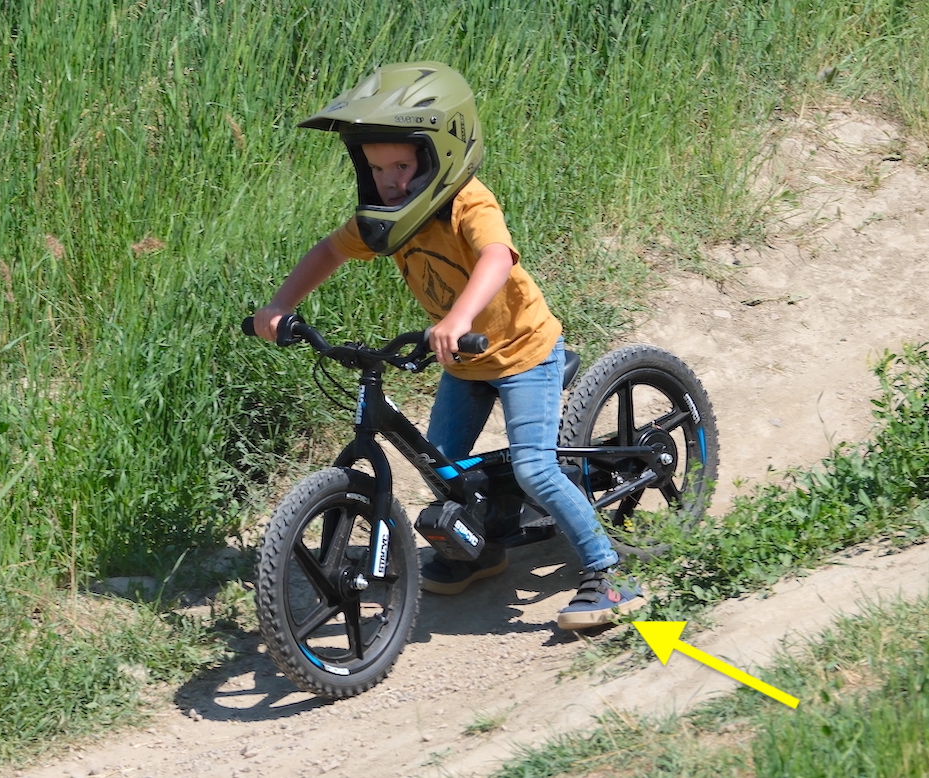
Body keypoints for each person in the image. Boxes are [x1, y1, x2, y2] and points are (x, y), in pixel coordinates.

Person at [251, 61, 641, 630]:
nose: (389, 180)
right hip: (465, 361)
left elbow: (496, 258)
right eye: (376, 167)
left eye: (402, 165)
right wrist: (279, 305)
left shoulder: (468, 204)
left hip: (523, 351)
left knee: (534, 468)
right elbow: (328, 251)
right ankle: (482, 551)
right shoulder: (388, 217)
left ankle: (605, 577)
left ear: (440, 154)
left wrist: (456, 318)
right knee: (443, 468)